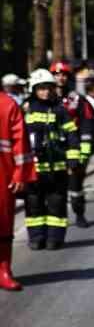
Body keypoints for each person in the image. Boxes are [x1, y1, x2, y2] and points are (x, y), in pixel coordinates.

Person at [22, 68, 79, 250]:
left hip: (57, 167)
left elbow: (71, 134)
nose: (45, 92)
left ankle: (55, 238)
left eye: (48, 88)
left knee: (57, 204)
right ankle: (37, 237)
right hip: (34, 168)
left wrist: (73, 158)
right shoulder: (25, 110)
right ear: (33, 89)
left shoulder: (60, 110)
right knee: (33, 205)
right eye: (41, 88)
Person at [55, 62, 94, 228]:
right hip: (54, 149)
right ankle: (58, 220)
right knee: (56, 187)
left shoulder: (77, 99)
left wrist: (84, 151)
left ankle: (79, 214)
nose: (61, 77)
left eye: (64, 74)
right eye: (57, 74)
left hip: (74, 147)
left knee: (75, 184)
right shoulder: (45, 98)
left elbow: (87, 123)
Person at [0, 81, 33, 290]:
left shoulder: (8, 104)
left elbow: (20, 141)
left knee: (3, 224)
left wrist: (20, 174)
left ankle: (4, 269)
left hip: (2, 175)